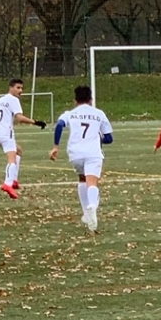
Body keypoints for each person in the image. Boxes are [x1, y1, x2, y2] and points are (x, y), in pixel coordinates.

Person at [50, 85, 114, 232]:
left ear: (75, 100)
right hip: (92, 153)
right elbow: (109, 138)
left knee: (82, 178)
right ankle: (92, 208)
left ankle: (86, 212)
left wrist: (56, 146)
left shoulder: (70, 114)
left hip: (75, 153)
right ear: (91, 99)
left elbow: (59, 125)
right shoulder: (99, 113)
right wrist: (98, 138)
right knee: (92, 182)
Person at [0, 78, 45, 199]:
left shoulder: (0, 100)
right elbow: (20, 118)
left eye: (21, 88)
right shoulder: (13, 99)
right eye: (18, 88)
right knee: (11, 159)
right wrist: (35, 122)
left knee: (18, 150)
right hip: (5, 134)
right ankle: (7, 184)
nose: (20, 90)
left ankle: (14, 180)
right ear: (11, 88)